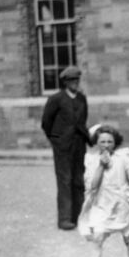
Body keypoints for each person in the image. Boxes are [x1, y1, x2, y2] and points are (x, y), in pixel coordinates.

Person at [75, 125, 129, 257]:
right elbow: (92, 185)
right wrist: (101, 165)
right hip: (102, 203)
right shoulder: (91, 160)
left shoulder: (123, 158)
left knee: (128, 236)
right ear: (96, 143)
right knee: (98, 237)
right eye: (102, 142)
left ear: (115, 143)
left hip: (121, 203)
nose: (106, 145)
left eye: (110, 141)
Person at [41, 66, 90, 230]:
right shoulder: (56, 99)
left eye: (76, 80)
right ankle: (64, 219)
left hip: (79, 145)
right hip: (63, 147)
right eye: (71, 81)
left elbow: (82, 121)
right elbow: (46, 123)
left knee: (78, 180)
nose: (75, 83)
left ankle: (79, 217)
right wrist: (56, 141)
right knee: (65, 181)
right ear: (65, 82)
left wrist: (87, 139)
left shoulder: (82, 98)